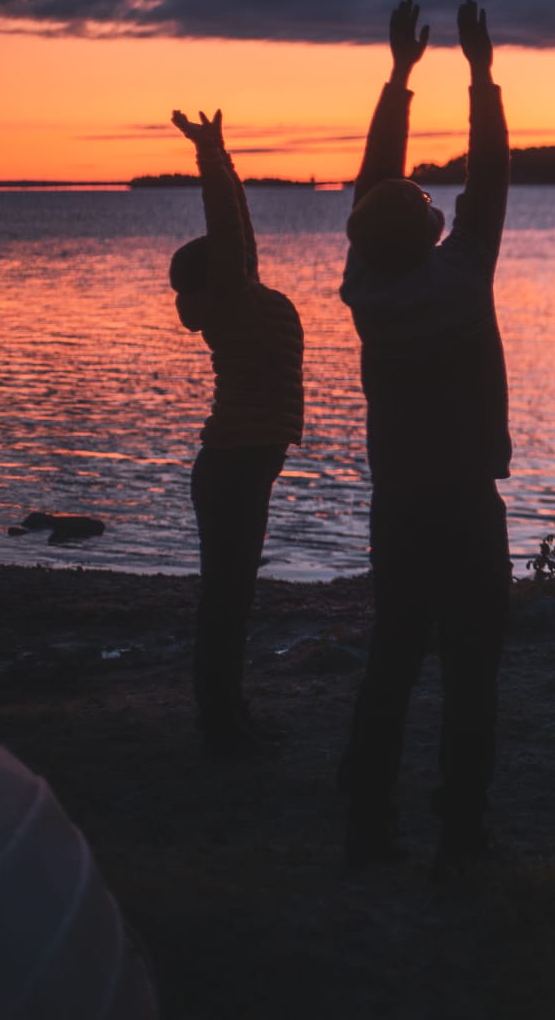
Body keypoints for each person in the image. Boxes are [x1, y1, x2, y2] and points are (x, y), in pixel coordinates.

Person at [336, 0, 513, 875]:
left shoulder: (366, 287)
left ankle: (368, 822)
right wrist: (480, 76)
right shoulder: (463, 275)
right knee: (471, 673)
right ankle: (461, 828)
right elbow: (490, 179)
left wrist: (401, 79)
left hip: (400, 505)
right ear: (433, 233)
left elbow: (374, 189)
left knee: (393, 662)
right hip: (466, 505)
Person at [169, 107, 304, 759]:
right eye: (230, 263)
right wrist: (208, 158)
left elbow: (239, 233)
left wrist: (223, 151)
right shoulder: (233, 303)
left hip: (245, 465)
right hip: (232, 469)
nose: (245, 259)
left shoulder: (242, 296)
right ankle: (221, 721)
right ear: (216, 277)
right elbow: (227, 229)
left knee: (233, 595)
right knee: (227, 599)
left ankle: (227, 713)